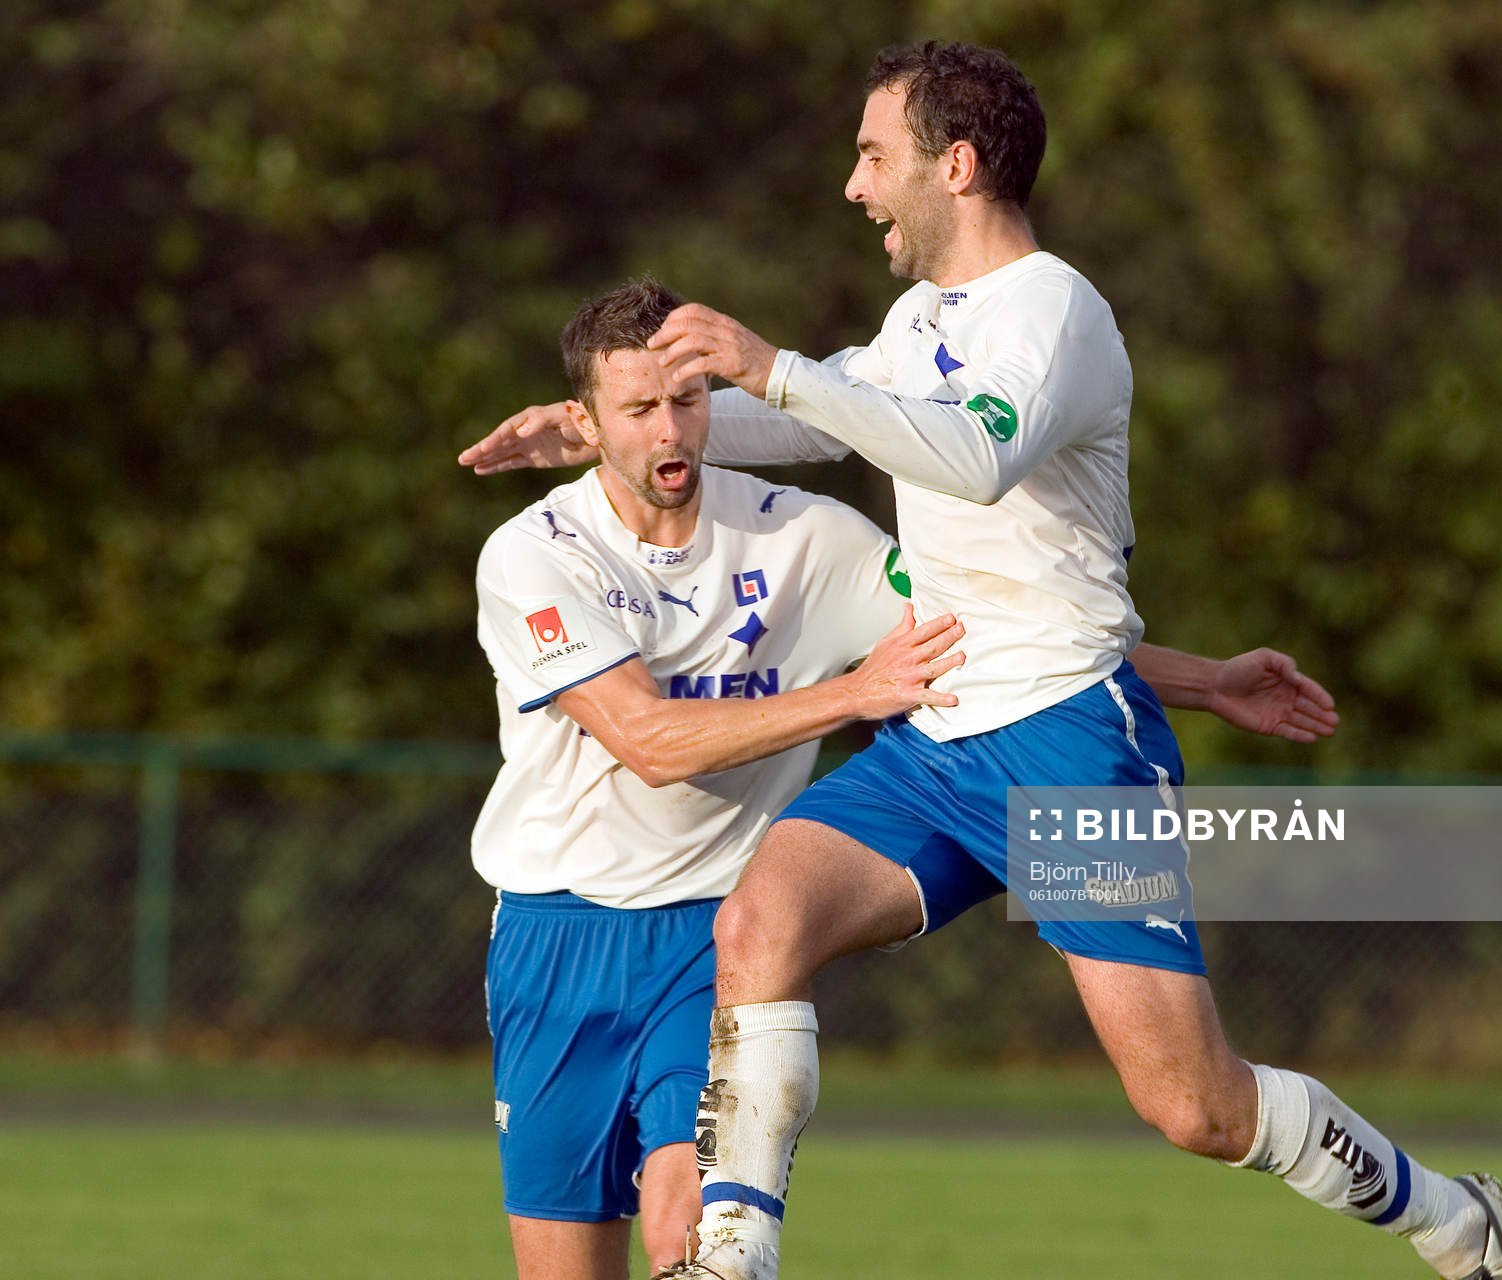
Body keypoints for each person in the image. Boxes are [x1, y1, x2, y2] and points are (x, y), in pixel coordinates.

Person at [476, 42, 1502, 1280]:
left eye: (874, 156)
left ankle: (1453, 1218)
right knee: (760, 914)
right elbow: (806, 421)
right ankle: (731, 1252)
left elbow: (967, 453)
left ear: (956, 166)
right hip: (935, 738)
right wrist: (615, 428)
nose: (853, 185)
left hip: (1066, 744)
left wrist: (769, 363)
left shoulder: (1055, 311)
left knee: (1194, 1106)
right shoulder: (922, 317)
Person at [467, 276, 1338, 1279]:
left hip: (715, 936)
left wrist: (1206, 682)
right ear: (583, 422)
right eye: (637, 408)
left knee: (688, 1241)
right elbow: (650, 740)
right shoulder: (533, 555)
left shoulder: (802, 536)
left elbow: (1003, 644)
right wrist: (848, 696)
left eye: (688, 399)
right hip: (553, 936)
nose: (671, 428)